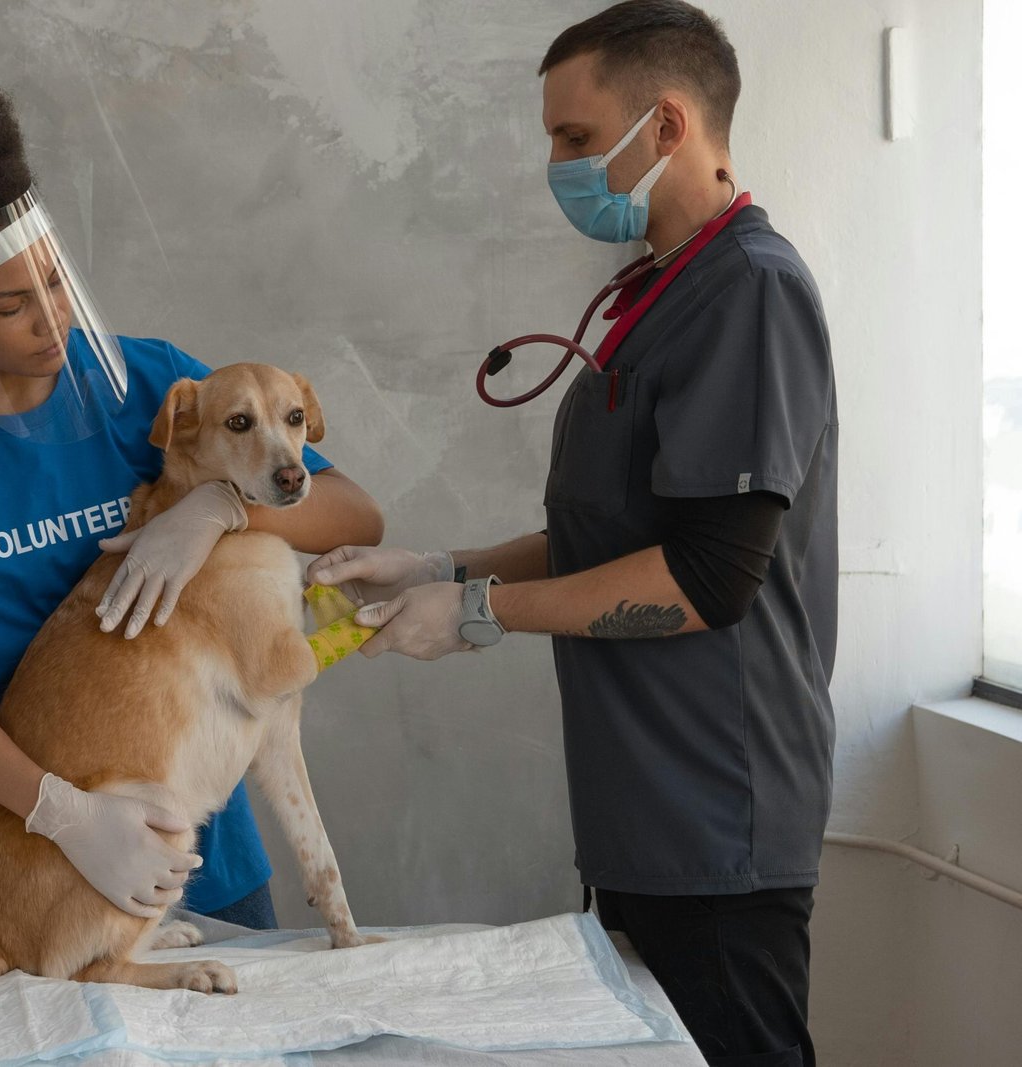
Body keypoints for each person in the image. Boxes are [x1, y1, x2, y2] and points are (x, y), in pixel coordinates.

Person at [311, 4, 835, 1065]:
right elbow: (606, 534)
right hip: (641, 809)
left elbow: (705, 574)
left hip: (715, 816)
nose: (555, 165)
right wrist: (440, 563)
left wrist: (474, 612)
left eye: (576, 139)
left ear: (670, 125)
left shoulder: (752, 293)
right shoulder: (655, 293)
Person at [0, 76, 383, 931]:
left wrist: (223, 510)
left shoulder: (148, 381)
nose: (53, 322)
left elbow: (351, 511)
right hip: (36, 872)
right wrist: (65, 817)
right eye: (10, 305)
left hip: (202, 859)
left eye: (56, 282)